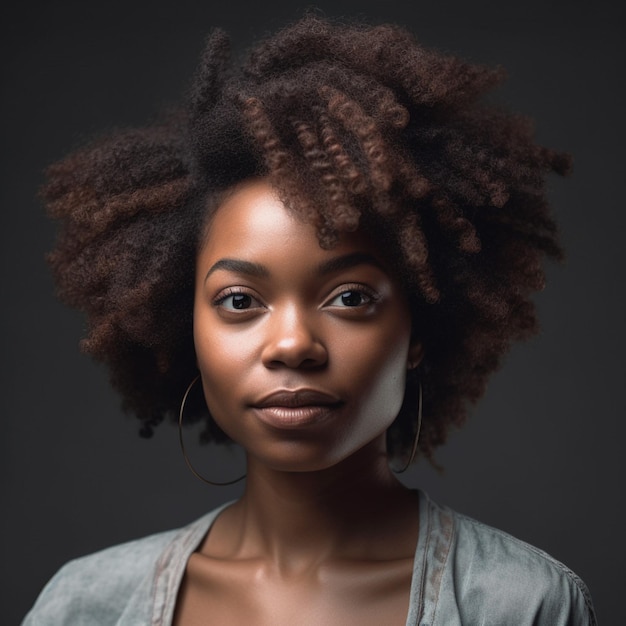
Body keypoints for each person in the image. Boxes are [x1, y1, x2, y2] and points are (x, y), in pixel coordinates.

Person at [23, 14, 596, 625]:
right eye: (240, 301)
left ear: (419, 332)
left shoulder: (521, 604)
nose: (293, 345)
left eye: (349, 298)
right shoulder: (86, 606)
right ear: (183, 324)